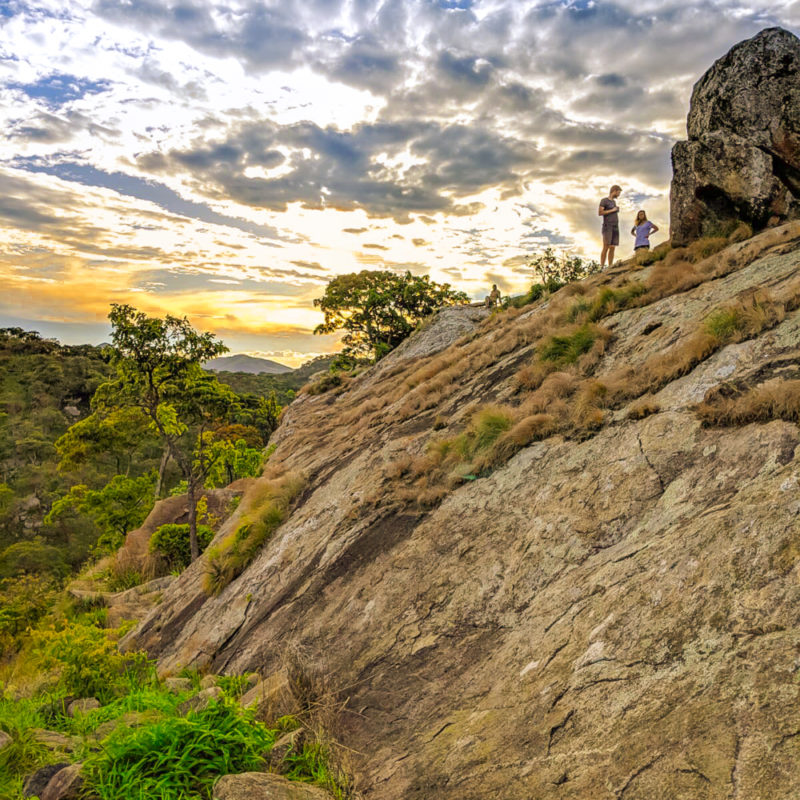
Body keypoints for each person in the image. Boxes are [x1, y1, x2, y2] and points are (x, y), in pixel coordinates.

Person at [598, 185, 622, 268]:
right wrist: (613, 210)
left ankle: (610, 266)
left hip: (615, 226)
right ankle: (601, 267)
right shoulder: (604, 200)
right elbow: (600, 212)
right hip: (607, 226)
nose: (619, 194)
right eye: (618, 192)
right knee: (606, 246)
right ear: (614, 191)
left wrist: (615, 210)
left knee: (613, 247)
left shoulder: (614, 202)